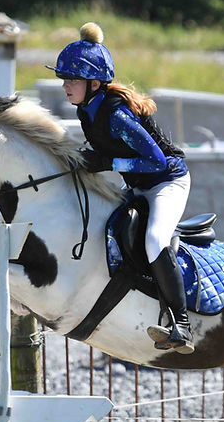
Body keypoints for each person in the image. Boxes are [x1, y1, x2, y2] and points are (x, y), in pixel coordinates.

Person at [48, 22, 194, 354]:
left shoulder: (116, 116)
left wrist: (109, 163)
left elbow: (156, 161)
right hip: (140, 186)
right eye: (64, 80)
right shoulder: (87, 109)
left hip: (167, 182)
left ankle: (181, 324)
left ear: (94, 83)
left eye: (72, 80)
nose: (65, 86)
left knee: (155, 239)